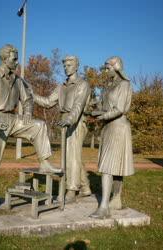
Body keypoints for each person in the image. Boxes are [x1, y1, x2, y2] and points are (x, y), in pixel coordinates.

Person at [0, 44, 60, 206]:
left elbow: (28, 99)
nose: (17, 62)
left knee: (39, 126)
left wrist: (28, 113)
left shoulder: (18, 80)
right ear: (4, 59)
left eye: (17, 58)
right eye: (14, 59)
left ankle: (44, 163)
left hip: (13, 119)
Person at [33, 55, 92, 202]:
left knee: (72, 155)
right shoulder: (61, 87)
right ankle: (85, 187)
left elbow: (78, 106)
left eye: (70, 64)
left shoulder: (82, 85)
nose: (67, 67)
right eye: (65, 65)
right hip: (64, 120)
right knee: (72, 155)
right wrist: (31, 95)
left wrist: (69, 120)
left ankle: (71, 190)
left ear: (77, 66)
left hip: (76, 121)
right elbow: (47, 102)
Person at [90, 56, 134, 219]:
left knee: (108, 166)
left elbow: (120, 109)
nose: (106, 71)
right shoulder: (108, 86)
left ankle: (104, 207)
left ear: (116, 67)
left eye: (108, 68)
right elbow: (103, 107)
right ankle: (116, 200)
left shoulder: (125, 84)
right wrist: (94, 109)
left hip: (119, 127)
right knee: (114, 165)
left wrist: (103, 116)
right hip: (108, 127)